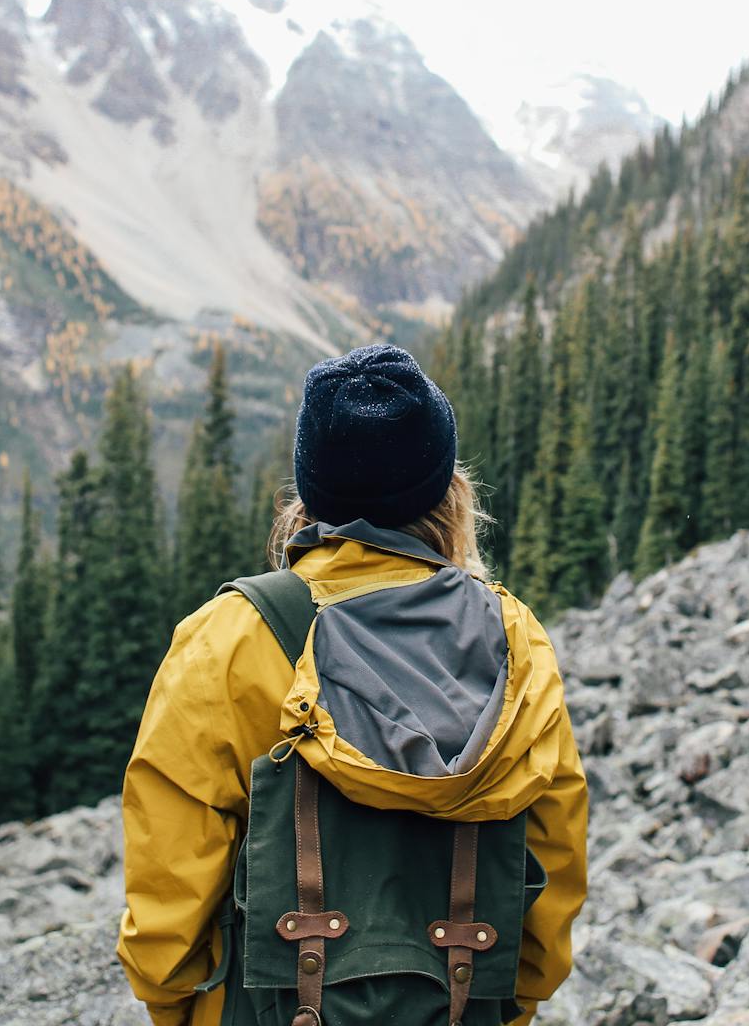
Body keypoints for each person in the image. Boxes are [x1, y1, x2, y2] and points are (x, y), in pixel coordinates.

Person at [117, 343, 588, 1026]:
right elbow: (552, 849)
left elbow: (171, 864)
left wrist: (174, 1006)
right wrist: (516, 1001)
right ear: (447, 490)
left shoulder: (228, 637)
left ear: (308, 493)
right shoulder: (516, 641)